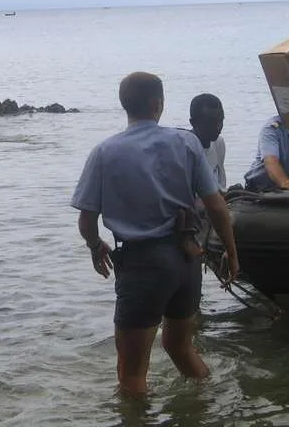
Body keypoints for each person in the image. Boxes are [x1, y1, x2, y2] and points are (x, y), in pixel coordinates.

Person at [71, 72, 240, 397]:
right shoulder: (186, 142)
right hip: (186, 257)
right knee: (181, 348)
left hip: (143, 264)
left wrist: (95, 245)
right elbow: (217, 206)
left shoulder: (105, 152)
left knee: (131, 373)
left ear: (124, 105)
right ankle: (209, 407)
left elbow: (87, 219)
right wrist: (231, 252)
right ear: (158, 104)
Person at [188, 93, 227, 190]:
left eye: (221, 120)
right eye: (211, 122)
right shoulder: (185, 150)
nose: (218, 127)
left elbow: (221, 182)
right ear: (193, 123)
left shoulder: (218, 143)